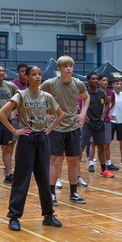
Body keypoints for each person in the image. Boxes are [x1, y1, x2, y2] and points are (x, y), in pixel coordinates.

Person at [0, 64, 64, 230]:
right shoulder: (21, 95)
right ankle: (14, 217)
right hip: (27, 139)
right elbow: (0, 114)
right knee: (21, 178)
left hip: (42, 138)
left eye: (40, 74)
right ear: (26, 77)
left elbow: (60, 114)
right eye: (34, 74)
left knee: (44, 179)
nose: (38, 77)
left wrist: (49, 128)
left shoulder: (46, 96)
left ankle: (48, 215)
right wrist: (15, 131)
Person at [42, 56, 89, 205]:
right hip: (55, 127)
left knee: (73, 160)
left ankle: (73, 193)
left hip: (73, 128)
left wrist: (83, 113)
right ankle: (51, 194)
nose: (68, 68)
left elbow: (86, 98)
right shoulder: (50, 84)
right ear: (59, 68)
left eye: (70, 66)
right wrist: (45, 114)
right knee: (55, 160)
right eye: (65, 66)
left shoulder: (78, 84)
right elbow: (36, 95)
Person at [81, 72, 114, 179]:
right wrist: (83, 114)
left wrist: (103, 114)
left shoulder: (101, 93)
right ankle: (76, 173)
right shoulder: (85, 93)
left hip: (99, 124)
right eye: (93, 79)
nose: (95, 81)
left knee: (101, 147)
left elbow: (107, 103)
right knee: (80, 147)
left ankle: (104, 170)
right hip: (87, 125)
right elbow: (78, 104)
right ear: (88, 81)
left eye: (96, 79)